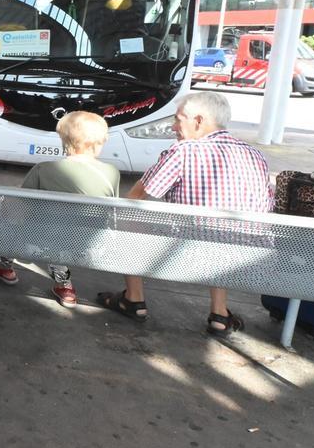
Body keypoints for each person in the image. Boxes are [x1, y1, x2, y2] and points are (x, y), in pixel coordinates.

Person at [98, 91, 273, 334]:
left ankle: (133, 298)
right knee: (221, 231)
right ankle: (219, 312)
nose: (173, 127)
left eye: (178, 119)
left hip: (186, 256)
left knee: (126, 217)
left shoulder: (183, 151)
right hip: (246, 260)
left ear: (198, 121)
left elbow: (136, 198)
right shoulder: (256, 155)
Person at [0, 111, 120, 306]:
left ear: (64, 139)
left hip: (40, 241)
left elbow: (19, 210)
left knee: (12, 214)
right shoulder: (112, 173)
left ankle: (4, 267)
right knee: (62, 229)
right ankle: (65, 287)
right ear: (100, 142)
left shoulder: (44, 169)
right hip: (89, 246)